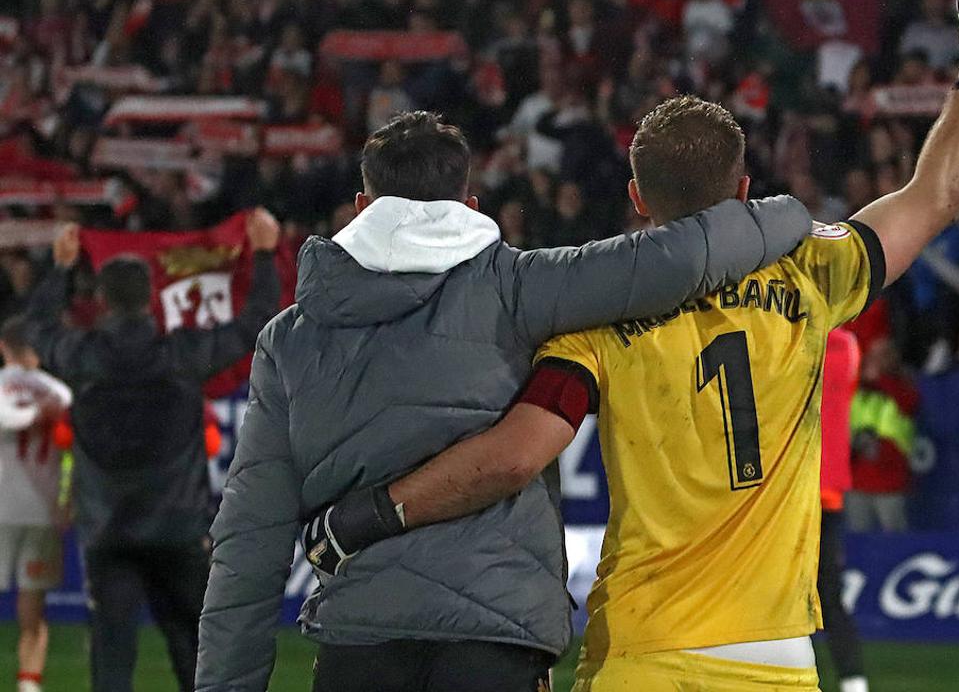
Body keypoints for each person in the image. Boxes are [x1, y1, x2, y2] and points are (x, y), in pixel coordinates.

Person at [306, 0, 959, 691]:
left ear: (637, 199)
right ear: (744, 191)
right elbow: (937, 195)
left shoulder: (595, 312)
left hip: (642, 650)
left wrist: (370, 515)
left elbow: (512, 457)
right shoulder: (813, 268)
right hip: (773, 653)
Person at [197, 111, 814, 691]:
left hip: (360, 642)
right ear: (469, 205)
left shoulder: (290, 340)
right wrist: (787, 215)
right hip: (495, 641)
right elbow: (679, 257)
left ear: (362, 207)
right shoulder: (519, 287)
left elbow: (248, 539)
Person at [25, 210, 282, 692]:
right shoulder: (182, 356)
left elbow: (36, 328)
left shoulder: (81, 356)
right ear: (150, 300)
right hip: (179, 533)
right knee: (197, 659)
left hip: (107, 534)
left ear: (101, 299)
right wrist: (264, 254)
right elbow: (253, 322)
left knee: (112, 660)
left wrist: (59, 270)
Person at [0, 318, 72, 692]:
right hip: (43, 510)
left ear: (3, 346)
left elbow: (6, 418)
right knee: (32, 602)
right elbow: (74, 451)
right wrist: (68, 500)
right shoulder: (59, 392)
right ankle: (28, 685)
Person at [818, 328, 870, 692]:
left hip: (807, 489)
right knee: (827, 593)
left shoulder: (837, 344)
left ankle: (852, 680)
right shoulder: (844, 345)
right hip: (819, 489)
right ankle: (853, 681)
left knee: (827, 593)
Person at [845, 338, 917, 532]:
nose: (876, 361)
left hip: (890, 479)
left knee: (895, 542)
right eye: (873, 357)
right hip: (859, 479)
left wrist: (881, 378)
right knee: (858, 543)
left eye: (883, 356)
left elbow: (909, 404)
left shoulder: (902, 386)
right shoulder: (857, 390)